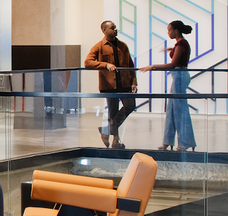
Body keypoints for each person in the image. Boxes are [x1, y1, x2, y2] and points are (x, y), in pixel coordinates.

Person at [84, 20, 138, 149]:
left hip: (125, 84)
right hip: (110, 85)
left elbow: (131, 65)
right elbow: (87, 62)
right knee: (113, 113)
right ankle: (116, 140)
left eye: (115, 28)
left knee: (130, 106)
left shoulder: (123, 46)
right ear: (104, 30)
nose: (115, 30)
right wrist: (105, 65)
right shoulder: (99, 46)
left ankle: (106, 129)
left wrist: (134, 82)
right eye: (112, 28)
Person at [149, 21, 196, 152]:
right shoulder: (179, 44)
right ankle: (167, 141)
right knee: (171, 110)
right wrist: (171, 49)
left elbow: (173, 64)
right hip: (177, 76)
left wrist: (153, 66)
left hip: (180, 76)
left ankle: (184, 142)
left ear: (176, 31)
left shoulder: (182, 43)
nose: (168, 33)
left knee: (180, 111)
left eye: (169, 30)